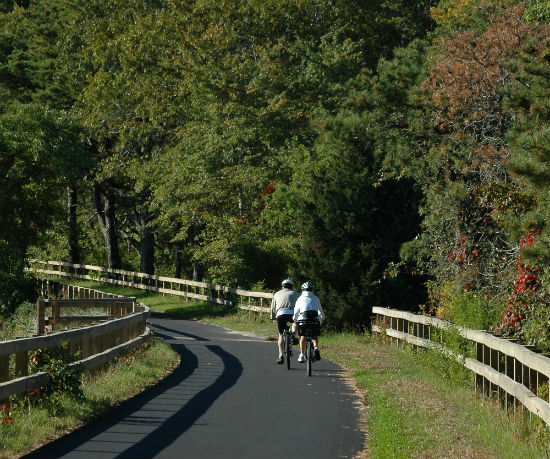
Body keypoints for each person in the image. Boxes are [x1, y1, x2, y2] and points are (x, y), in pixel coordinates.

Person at [270, 278, 300, 364]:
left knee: (280, 334)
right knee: (295, 322)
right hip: (292, 314)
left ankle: (280, 356)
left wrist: (273, 317)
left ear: (282, 286)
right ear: (291, 286)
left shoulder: (276, 294)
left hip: (281, 314)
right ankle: (294, 335)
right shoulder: (296, 294)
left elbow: (273, 307)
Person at [293, 281, 323, 362]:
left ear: (302, 290)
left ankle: (302, 355)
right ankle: (316, 347)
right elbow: (320, 311)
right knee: (315, 335)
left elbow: (296, 312)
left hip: (303, 320)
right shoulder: (316, 298)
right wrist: (321, 319)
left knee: (303, 336)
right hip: (314, 320)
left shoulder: (300, 299)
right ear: (311, 289)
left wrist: (295, 319)